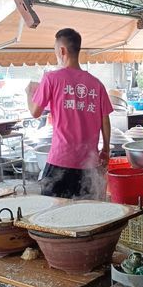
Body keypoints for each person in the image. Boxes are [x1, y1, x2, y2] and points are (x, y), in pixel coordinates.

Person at [26, 28, 113, 199]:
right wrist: (106, 150)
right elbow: (105, 120)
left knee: (52, 212)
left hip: (61, 160)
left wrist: (29, 93)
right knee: (86, 213)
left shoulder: (51, 79)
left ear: (62, 50)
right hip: (88, 163)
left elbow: (35, 112)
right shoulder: (96, 84)